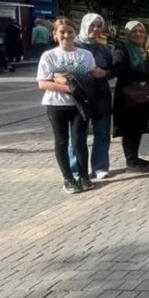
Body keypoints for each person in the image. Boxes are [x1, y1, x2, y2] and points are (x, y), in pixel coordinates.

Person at [36, 17, 96, 193]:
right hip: (57, 105)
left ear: (75, 33)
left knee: (79, 141)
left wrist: (71, 81)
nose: (66, 35)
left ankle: (84, 176)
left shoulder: (86, 55)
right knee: (62, 141)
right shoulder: (49, 56)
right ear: (55, 34)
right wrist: (69, 87)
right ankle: (68, 178)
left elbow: (92, 77)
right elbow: (43, 83)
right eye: (62, 32)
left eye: (70, 31)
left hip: (80, 105)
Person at [69, 13, 114, 180]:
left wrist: (105, 73)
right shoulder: (74, 46)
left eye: (99, 26)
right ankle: (76, 168)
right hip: (80, 96)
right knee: (77, 134)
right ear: (84, 26)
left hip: (101, 95)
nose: (95, 29)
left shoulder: (103, 48)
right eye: (92, 25)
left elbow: (113, 69)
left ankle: (100, 166)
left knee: (102, 132)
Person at [112, 20, 149, 173]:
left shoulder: (143, 51)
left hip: (142, 97)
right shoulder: (122, 50)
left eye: (141, 32)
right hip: (127, 98)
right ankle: (131, 161)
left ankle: (135, 157)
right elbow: (120, 70)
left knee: (138, 128)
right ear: (127, 34)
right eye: (134, 32)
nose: (138, 34)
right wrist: (145, 76)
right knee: (130, 130)